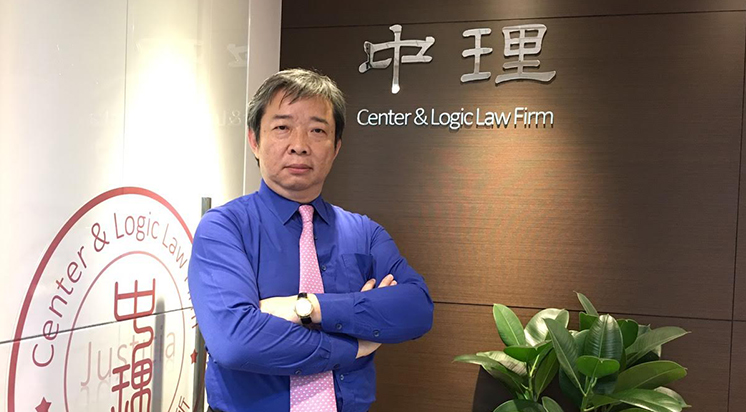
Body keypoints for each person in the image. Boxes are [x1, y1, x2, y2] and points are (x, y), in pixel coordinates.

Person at [188, 68, 434, 412]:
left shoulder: (364, 233)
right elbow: (235, 341)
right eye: (282, 127)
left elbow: (417, 309)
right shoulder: (224, 228)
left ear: (336, 147)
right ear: (254, 140)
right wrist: (354, 344)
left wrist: (308, 308)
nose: (300, 146)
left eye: (317, 130)